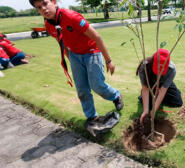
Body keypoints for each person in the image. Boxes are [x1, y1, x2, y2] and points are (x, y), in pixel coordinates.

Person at [29, 0, 124, 135]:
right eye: (39, 7)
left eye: (45, 3)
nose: (43, 9)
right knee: (81, 89)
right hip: (74, 55)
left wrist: (109, 60)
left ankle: (116, 96)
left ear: (54, 2)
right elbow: (61, 43)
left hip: (91, 51)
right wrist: (72, 60)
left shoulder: (72, 17)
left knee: (96, 85)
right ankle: (92, 117)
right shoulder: (48, 25)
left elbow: (97, 37)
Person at [137, 49, 183, 124]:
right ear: (154, 62)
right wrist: (146, 110)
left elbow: (163, 90)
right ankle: (146, 97)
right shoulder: (143, 68)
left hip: (164, 84)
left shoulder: (172, 69)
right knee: (149, 106)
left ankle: (156, 97)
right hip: (151, 85)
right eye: (158, 68)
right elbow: (145, 89)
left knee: (177, 102)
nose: (159, 71)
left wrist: (154, 110)